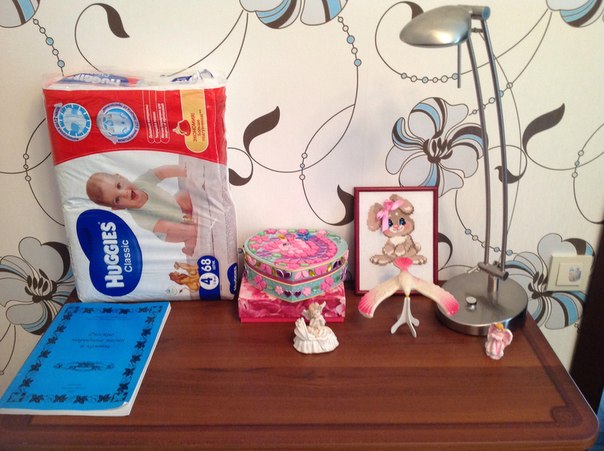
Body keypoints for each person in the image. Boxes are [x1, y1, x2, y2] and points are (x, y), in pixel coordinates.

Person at [86, 164, 196, 255]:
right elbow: (166, 226)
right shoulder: (140, 218)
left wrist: (183, 171)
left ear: (121, 177)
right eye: (117, 199)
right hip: (170, 230)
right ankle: (189, 245)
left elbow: (161, 172)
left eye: (119, 186)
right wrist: (186, 221)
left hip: (175, 206)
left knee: (185, 194)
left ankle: (188, 219)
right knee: (189, 232)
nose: (124, 193)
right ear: (118, 208)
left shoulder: (142, 182)